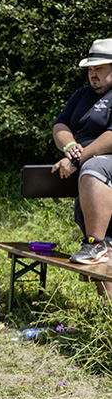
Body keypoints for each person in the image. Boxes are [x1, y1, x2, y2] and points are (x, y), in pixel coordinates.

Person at [52, 38, 112, 294]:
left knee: (94, 168)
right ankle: (106, 313)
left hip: (99, 168)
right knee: (104, 252)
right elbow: (61, 124)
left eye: (99, 68)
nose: (93, 74)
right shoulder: (82, 95)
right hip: (88, 178)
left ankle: (94, 243)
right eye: (90, 69)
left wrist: (79, 159)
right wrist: (69, 146)